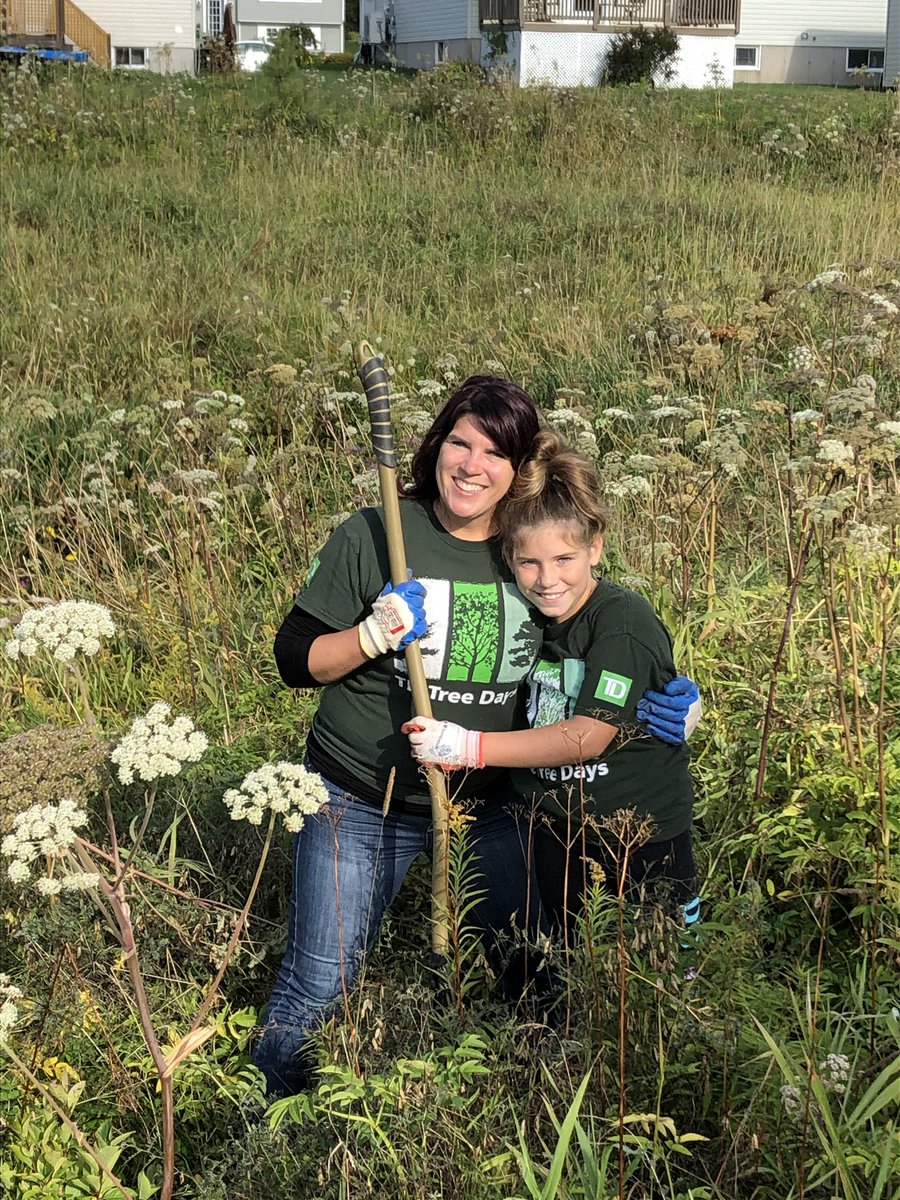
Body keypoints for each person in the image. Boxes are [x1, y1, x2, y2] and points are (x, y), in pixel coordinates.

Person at [254, 379, 695, 1096]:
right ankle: (265, 1128)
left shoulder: (525, 547)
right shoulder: (377, 533)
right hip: (363, 798)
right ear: (434, 447)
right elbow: (293, 662)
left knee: (530, 966)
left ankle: (543, 1104)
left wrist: (669, 698)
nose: (471, 465)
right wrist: (371, 634)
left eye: (495, 452)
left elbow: (588, 638)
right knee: (318, 983)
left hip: (491, 805)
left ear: (519, 469)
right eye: (460, 442)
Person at [405, 429, 700, 944]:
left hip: (639, 830)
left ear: (596, 548)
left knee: (665, 958)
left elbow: (587, 736)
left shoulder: (620, 620)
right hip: (555, 826)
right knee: (574, 952)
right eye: (528, 563)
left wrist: (463, 745)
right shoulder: (528, 617)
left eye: (564, 560)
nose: (547, 580)